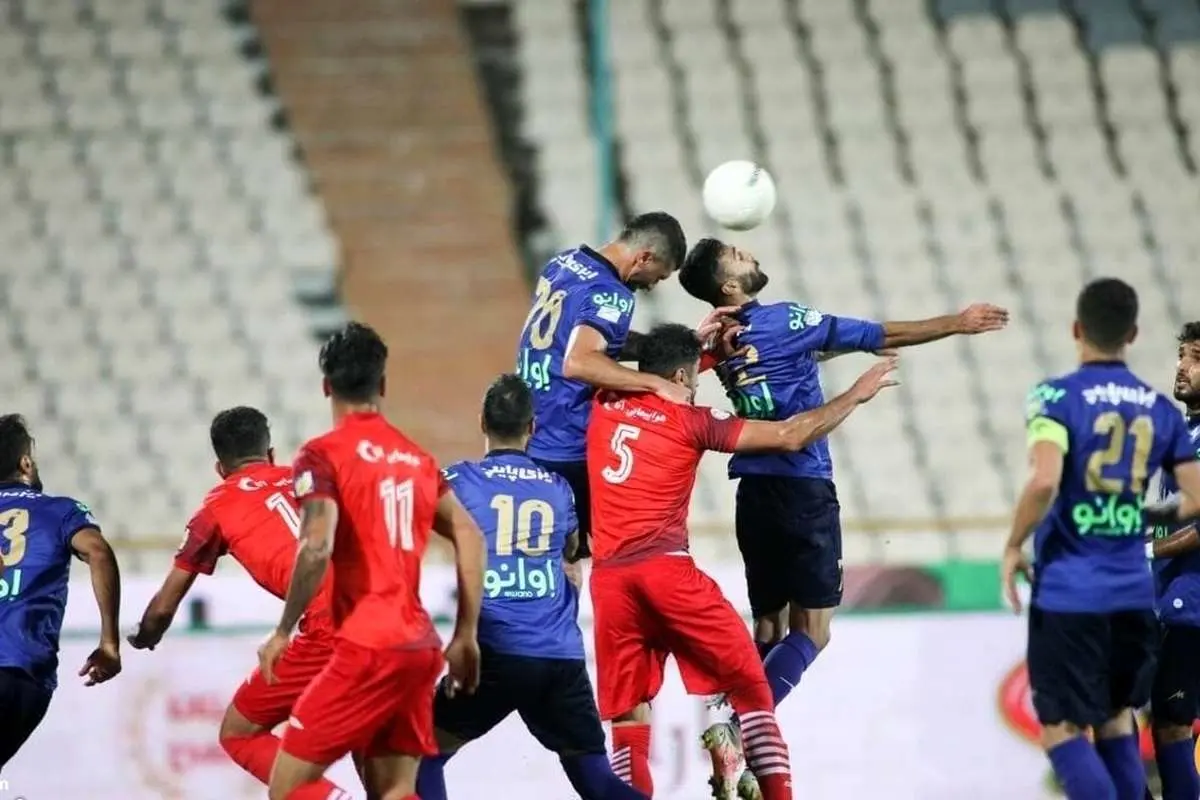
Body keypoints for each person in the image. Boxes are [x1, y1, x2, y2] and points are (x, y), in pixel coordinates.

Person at [676, 238, 1009, 713]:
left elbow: (797, 355)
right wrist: (957, 322)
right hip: (802, 489)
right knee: (813, 631)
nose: (748, 252)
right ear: (729, 285)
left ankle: (735, 719)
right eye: (736, 255)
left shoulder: (718, 340)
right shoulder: (784, 320)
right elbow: (879, 334)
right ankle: (742, 719)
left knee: (768, 626)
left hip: (753, 492)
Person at [586, 323, 898, 800]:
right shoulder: (691, 420)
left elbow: (643, 369)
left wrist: (704, 355)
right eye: (693, 377)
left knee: (629, 721)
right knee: (753, 691)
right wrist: (855, 394)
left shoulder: (603, 400)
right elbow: (790, 435)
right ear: (680, 376)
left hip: (610, 582)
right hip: (667, 574)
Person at [257, 322, 487, 800]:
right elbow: (469, 531)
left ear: (326, 386)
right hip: (418, 648)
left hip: (367, 647)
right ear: (382, 384)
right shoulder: (417, 459)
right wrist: (466, 633)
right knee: (395, 791)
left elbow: (316, 545)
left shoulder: (321, 455)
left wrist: (283, 630)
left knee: (286, 790)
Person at [1000, 281, 1200, 800]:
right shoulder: (1158, 410)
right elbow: (1194, 498)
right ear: (1132, 335)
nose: (1183, 365)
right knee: (1116, 718)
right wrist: (1132, 516)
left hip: (1073, 588)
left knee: (1061, 727)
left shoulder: (1053, 397)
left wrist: (1014, 544)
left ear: (1076, 330)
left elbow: (1043, 482)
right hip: (1134, 595)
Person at [416, 374, 645, 800]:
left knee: (420, 752)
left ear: (482, 421)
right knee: (596, 781)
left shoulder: (459, 480)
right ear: (532, 427)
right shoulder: (558, 489)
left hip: (496, 652)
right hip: (560, 657)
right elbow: (573, 553)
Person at [128, 407, 335, 789]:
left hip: (329, 625)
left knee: (239, 732)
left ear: (220, 468)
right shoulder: (309, 478)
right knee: (381, 752)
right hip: (382, 610)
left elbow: (163, 607)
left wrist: (144, 636)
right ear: (270, 454)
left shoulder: (216, 509)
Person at [516, 212, 731, 561]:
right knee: (576, 554)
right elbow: (580, 362)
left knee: (541, 553)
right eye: (658, 275)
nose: (653, 285)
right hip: (567, 442)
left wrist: (682, 344)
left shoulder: (565, 262)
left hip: (533, 428)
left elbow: (591, 338)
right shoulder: (612, 294)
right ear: (644, 257)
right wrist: (655, 383)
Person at [0, 414, 122, 771]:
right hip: (23, 672)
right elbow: (98, 552)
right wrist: (109, 643)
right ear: (26, 464)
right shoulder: (57, 510)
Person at [1144, 322, 1200, 800]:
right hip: (1172, 600)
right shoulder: (1183, 434)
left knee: (1172, 723)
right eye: (1182, 355)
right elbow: (1171, 516)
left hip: (1194, 607)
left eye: (1196, 358)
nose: (1182, 367)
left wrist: (1143, 550)